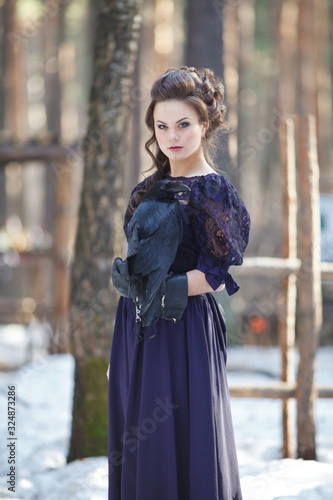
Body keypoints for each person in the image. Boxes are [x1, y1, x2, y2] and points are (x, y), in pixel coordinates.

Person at [107, 66, 251, 500]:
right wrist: (127, 278)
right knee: (141, 438)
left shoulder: (214, 192)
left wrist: (165, 289)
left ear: (204, 125)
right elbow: (138, 252)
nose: (172, 135)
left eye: (183, 124)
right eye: (162, 125)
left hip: (184, 327)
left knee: (185, 431)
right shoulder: (146, 189)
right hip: (135, 327)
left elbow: (216, 269)